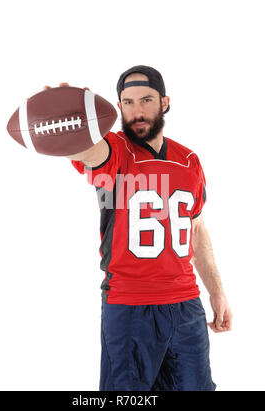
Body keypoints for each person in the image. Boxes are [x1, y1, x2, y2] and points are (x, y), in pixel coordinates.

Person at [45, 65, 233, 391]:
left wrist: (216, 293)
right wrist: (71, 125)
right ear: (118, 107)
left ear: (165, 102)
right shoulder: (116, 151)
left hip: (187, 306)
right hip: (130, 307)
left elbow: (197, 228)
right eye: (128, 103)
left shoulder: (189, 160)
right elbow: (90, 152)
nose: (137, 111)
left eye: (146, 100)